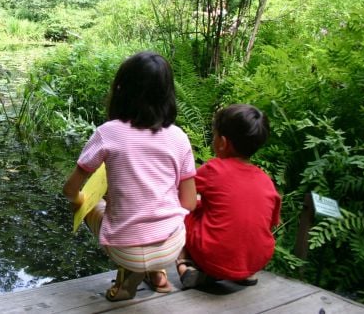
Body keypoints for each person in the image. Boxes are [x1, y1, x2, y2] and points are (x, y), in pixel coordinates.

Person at [63, 51, 197, 301]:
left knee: (95, 206)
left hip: (125, 249)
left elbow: (69, 190)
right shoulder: (179, 136)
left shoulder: (108, 133)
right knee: (150, 210)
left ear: (121, 90)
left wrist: (82, 200)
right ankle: (158, 275)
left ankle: (127, 284)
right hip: (171, 246)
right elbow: (188, 203)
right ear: (168, 94)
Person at [176, 104, 281, 289]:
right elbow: (270, 223)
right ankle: (243, 273)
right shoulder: (266, 181)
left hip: (213, 257)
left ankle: (185, 265)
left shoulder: (214, 169)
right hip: (255, 260)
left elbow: (182, 191)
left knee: (186, 210)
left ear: (223, 142)